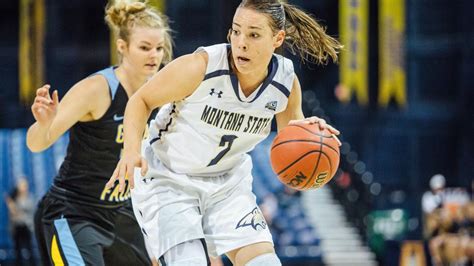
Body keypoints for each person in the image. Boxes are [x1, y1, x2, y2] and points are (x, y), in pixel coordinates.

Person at [106, 0, 341, 265]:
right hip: (169, 179)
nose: (241, 42)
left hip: (228, 185)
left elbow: (291, 143)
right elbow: (140, 101)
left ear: (277, 38)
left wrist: (313, 135)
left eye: (253, 34)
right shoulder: (201, 67)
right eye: (236, 31)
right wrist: (130, 151)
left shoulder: (285, 82)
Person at [26, 1, 172, 265]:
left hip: (122, 215)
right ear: (122, 47)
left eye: (159, 48)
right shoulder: (97, 89)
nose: (154, 55)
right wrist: (45, 124)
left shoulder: (160, 93)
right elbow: (36, 144)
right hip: (73, 213)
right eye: (144, 47)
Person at [5, 177, 35, 266]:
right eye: (21, 185)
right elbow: (13, 214)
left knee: (29, 249)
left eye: (24, 185)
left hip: (26, 227)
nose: (23, 187)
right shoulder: (14, 199)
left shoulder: (29, 198)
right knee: (17, 249)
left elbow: (29, 212)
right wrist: (11, 204)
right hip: (17, 227)